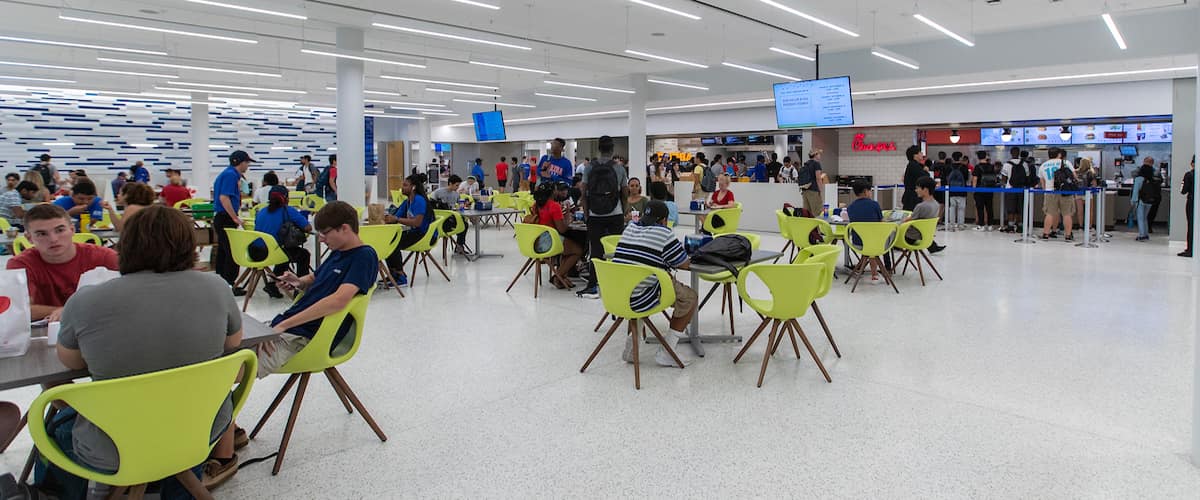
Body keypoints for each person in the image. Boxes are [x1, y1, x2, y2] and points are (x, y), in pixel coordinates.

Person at [48, 206, 245, 496]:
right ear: (189, 245)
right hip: (200, 430)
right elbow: (232, 344)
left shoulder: (85, 301)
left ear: (125, 245)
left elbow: (72, 361)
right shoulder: (217, 287)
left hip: (116, 444)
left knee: (56, 423)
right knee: (186, 412)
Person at [255, 202, 376, 380]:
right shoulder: (338, 251)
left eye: (325, 233)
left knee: (231, 367)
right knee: (226, 346)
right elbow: (315, 279)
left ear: (344, 228)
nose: (320, 239)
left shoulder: (363, 256)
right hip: (288, 327)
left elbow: (338, 300)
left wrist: (284, 325)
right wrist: (298, 281)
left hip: (304, 337)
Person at [611, 200, 694, 367]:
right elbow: (683, 263)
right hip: (641, 299)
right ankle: (668, 352)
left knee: (639, 284)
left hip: (617, 295)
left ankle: (632, 346)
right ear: (664, 220)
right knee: (689, 298)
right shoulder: (664, 233)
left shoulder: (630, 228)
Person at [7, 204, 118, 321]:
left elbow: (134, 293)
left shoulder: (105, 257)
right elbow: (18, 310)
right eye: (42, 234)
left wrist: (67, 311)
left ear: (72, 230)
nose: (53, 239)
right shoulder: (20, 265)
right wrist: (69, 310)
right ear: (29, 238)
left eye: (60, 230)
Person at [577, 135, 629, 300]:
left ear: (599, 148)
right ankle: (617, 282)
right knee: (616, 249)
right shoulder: (619, 168)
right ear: (612, 149)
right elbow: (625, 193)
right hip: (615, 213)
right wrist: (623, 209)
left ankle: (593, 285)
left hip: (595, 214)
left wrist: (586, 214)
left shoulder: (590, 167)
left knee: (596, 250)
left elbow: (583, 193)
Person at [253, 186, 313, 298]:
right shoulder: (288, 210)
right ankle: (301, 289)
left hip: (255, 252)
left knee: (285, 252)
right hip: (273, 252)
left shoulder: (261, 211)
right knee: (303, 254)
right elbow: (308, 227)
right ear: (286, 198)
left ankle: (272, 284)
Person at [214, 150, 254, 295]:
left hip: (221, 217)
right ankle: (230, 285)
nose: (247, 166)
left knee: (224, 251)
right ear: (239, 162)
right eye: (246, 162)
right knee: (232, 252)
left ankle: (222, 283)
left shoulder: (228, 173)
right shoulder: (231, 175)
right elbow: (224, 198)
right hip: (225, 217)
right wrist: (234, 218)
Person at [533, 183, 583, 289]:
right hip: (549, 241)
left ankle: (562, 277)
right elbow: (562, 229)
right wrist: (567, 216)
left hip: (536, 241)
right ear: (552, 192)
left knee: (568, 247)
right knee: (578, 250)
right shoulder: (554, 206)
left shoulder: (536, 205)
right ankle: (558, 277)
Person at [384, 175, 430, 285]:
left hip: (422, 233)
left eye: (405, 185)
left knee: (393, 243)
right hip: (412, 231)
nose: (402, 188)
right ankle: (393, 273)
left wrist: (396, 219)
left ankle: (400, 275)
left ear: (413, 187)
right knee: (387, 241)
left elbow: (417, 223)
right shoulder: (407, 201)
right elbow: (397, 216)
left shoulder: (419, 200)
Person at [846, 180, 892, 279]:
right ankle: (883, 270)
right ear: (866, 191)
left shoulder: (850, 207)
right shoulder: (874, 204)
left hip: (857, 243)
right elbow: (881, 222)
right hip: (874, 244)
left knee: (869, 244)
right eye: (870, 191)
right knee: (883, 238)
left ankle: (861, 268)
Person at [1038, 147, 1076, 241]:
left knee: (1049, 214)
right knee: (1067, 214)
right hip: (1065, 191)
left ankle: (1046, 234)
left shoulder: (1043, 165)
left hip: (1050, 192)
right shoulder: (1065, 163)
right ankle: (1067, 235)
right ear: (1059, 154)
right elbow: (1074, 176)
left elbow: (1042, 183)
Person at [904, 177, 945, 253]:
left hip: (911, 237)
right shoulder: (936, 204)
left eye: (917, 188)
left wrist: (900, 220)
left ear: (925, 190)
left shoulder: (920, 206)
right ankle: (933, 247)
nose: (916, 190)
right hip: (926, 236)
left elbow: (908, 221)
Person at [431, 175, 469, 250]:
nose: (458, 187)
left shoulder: (456, 194)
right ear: (450, 183)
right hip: (440, 220)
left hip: (451, 218)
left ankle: (459, 245)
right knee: (463, 225)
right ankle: (459, 245)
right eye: (456, 185)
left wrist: (466, 203)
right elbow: (431, 205)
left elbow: (460, 205)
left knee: (464, 225)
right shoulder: (438, 192)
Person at [1001, 147, 1028, 233]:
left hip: (1010, 189)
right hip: (1021, 189)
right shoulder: (1024, 164)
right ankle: (1020, 226)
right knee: (1019, 208)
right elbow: (1027, 177)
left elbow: (1004, 179)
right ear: (1019, 153)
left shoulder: (1007, 164)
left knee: (1010, 208)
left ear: (1011, 153)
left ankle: (1010, 226)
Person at [1132, 160, 1157, 242]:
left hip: (1141, 201)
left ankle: (1142, 235)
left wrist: (1133, 201)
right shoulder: (1152, 179)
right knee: (1145, 218)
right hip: (1150, 201)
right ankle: (1145, 234)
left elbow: (1135, 191)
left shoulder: (1139, 179)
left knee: (1140, 218)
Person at [944, 153, 969, 231]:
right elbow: (967, 178)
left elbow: (946, 178)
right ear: (960, 158)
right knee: (961, 209)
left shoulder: (948, 167)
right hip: (962, 191)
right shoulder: (964, 167)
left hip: (951, 191)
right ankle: (960, 225)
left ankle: (951, 225)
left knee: (951, 208)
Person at [971, 160, 999, 231]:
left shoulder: (977, 167)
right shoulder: (992, 166)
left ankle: (981, 225)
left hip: (980, 190)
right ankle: (990, 225)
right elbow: (995, 178)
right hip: (989, 190)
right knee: (989, 207)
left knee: (980, 207)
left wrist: (974, 190)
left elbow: (975, 178)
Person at [1074, 157, 1099, 233]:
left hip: (1078, 193)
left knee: (1080, 211)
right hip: (1088, 193)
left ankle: (1080, 227)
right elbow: (1094, 184)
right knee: (1089, 211)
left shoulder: (1076, 172)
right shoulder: (1091, 172)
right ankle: (1089, 226)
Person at [901, 145, 928, 211]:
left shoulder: (913, 165)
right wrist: (926, 171)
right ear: (915, 155)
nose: (922, 154)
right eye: (920, 152)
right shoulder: (914, 166)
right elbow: (925, 177)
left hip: (911, 198)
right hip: (912, 199)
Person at [798, 149, 825, 216]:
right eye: (819, 154)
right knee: (817, 212)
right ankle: (817, 227)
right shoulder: (816, 164)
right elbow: (818, 178)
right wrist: (820, 190)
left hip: (805, 190)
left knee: (807, 212)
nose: (820, 156)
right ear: (815, 155)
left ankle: (809, 226)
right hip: (813, 190)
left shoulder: (806, 164)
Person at [1180, 155, 1195, 257]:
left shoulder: (1189, 175)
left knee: (1191, 225)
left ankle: (1190, 249)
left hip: (1191, 202)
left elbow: (1183, 191)